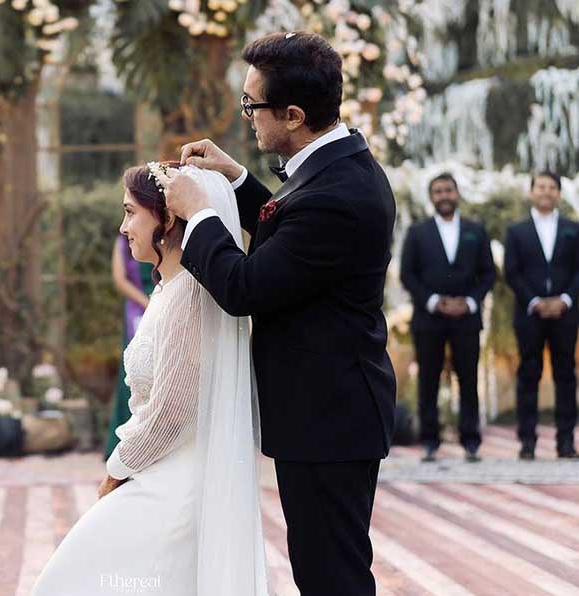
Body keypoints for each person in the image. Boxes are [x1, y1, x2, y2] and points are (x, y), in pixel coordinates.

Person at [165, 32, 396, 596]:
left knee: (331, 576)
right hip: (328, 410)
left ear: (293, 115)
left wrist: (199, 216)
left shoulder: (337, 195)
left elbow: (246, 286)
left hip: (330, 417)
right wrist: (238, 179)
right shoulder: (335, 164)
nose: (246, 116)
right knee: (323, 568)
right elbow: (287, 229)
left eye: (252, 106)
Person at [33, 163, 269, 596]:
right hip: (161, 471)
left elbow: (174, 407)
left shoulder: (187, 295)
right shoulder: (167, 289)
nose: (123, 227)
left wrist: (117, 469)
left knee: (74, 574)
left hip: (174, 485)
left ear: (168, 219)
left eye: (130, 212)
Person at [400, 173, 495, 462]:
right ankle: (430, 441)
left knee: (468, 379)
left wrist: (469, 301)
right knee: (428, 380)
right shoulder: (417, 232)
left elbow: (488, 273)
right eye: (438, 191)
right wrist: (433, 301)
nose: (443, 196)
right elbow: (408, 274)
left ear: (457, 194)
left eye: (448, 190)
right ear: (431, 197)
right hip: (429, 319)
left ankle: (471, 441)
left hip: (466, 318)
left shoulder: (475, 231)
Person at [505, 171, 579, 460]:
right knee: (528, 375)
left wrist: (565, 299)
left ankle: (565, 442)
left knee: (565, 376)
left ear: (558, 193)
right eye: (541, 187)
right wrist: (535, 301)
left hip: (565, 313)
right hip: (529, 314)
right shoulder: (517, 231)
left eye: (551, 187)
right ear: (531, 192)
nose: (546, 192)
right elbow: (512, 271)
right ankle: (527, 442)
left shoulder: (573, 228)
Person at [103, 233, 155, 460]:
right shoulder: (123, 241)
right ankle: (124, 440)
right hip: (136, 309)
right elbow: (119, 278)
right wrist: (145, 302)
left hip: (162, 300)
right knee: (131, 372)